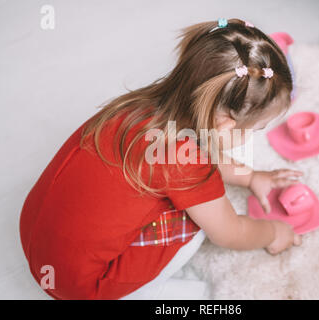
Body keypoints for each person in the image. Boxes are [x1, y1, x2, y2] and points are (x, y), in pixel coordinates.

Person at [19, 18, 302, 300]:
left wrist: (250, 177)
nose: (254, 135)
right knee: (197, 221)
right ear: (226, 126)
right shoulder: (187, 163)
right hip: (78, 286)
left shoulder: (137, 107)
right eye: (256, 128)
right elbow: (229, 232)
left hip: (34, 234)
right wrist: (273, 232)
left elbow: (196, 150)